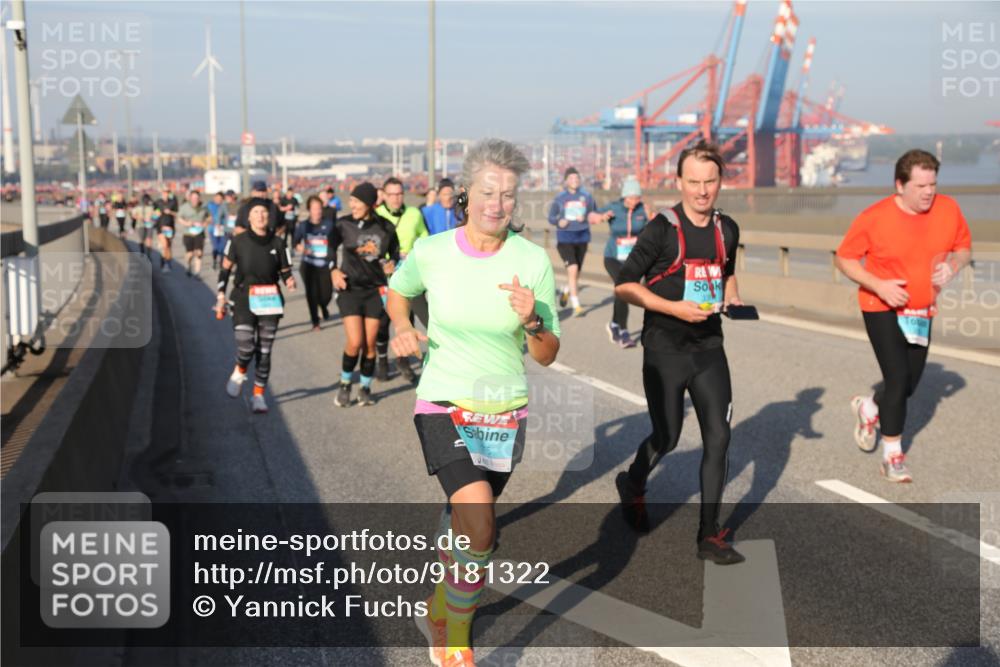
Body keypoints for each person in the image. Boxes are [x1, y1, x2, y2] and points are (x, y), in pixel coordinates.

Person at [388, 139, 560, 666]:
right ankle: (456, 641)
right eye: (488, 192)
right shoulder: (433, 252)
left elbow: (547, 353)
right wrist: (401, 327)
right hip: (443, 401)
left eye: (507, 195)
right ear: (466, 193)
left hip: (504, 411)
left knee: (467, 524)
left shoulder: (531, 260)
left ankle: (438, 607)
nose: (497, 204)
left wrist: (533, 319)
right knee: (481, 522)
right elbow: (398, 291)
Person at [613, 140, 745, 565]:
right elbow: (625, 284)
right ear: (679, 182)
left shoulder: (727, 229)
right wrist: (674, 308)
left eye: (710, 181)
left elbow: (727, 273)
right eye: (694, 182)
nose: (702, 191)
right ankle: (633, 483)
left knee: (719, 438)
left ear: (720, 182)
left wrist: (733, 299)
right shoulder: (661, 229)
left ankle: (709, 535)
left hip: (709, 347)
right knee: (667, 437)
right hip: (664, 348)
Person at [835, 150, 972, 483]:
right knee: (897, 379)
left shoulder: (948, 209)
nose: (928, 192)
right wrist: (879, 285)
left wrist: (952, 266)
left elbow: (964, 249)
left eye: (933, 184)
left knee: (908, 385)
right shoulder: (874, 217)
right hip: (880, 305)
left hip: (921, 310)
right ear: (900, 185)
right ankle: (892, 456)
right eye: (920, 186)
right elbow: (845, 258)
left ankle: (870, 406)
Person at [215, 198, 296, 414]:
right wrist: (221, 294)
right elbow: (225, 269)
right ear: (249, 217)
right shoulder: (238, 241)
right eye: (256, 212)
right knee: (246, 346)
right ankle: (240, 369)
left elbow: (285, 270)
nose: (260, 215)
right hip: (243, 297)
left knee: (265, 351)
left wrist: (289, 280)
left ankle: (258, 395)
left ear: (269, 216)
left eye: (264, 212)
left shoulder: (278, 243)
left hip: (270, 299)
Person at [330, 182, 400, 407]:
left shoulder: (385, 227)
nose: (352, 205)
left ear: (369, 204)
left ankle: (365, 388)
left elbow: (395, 252)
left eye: (356, 201)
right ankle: (345, 384)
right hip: (350, 289)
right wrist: (333, 270)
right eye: (351, 201)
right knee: (355, 341)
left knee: (370, 344)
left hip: (374, 291)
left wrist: (392, 263)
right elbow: (330, 247)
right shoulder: (344, 224)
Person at [375, 176, 430, 381]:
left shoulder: (414, 213)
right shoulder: (376, 215)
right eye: (391, 195)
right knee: (382, 322)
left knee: (407, 319)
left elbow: (425, 238)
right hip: (382, 275)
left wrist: (413, 254)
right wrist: (383, 262)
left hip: (408, 275)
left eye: (399, 194)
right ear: (384, 195)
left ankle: (403, 361)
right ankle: (382, 361)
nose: (396, 198)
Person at [600, 176, 650, 348]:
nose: (635, 201)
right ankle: (624, 332)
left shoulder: (642, 209)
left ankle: (614, 324)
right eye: (632, 198)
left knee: (622, 292)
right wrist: (600, 216)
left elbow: (652, 229)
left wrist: (651, 217)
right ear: (625, 196)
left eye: (637, 198)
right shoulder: (614, 207)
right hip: (612, 257)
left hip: (631, 260)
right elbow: (593, 214)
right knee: (624, 287)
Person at [548, 166, 605, 316]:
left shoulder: (586, 197)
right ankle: (576, 306)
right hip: (565, 239)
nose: (574, 180)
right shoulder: (560, 198)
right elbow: (551, 217)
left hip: (582, 238)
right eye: (571, 178)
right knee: (573, 269)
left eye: (577, 178)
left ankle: (567, 290)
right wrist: (559, 221)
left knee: (576, 273)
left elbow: (595, 214)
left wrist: (585, 217)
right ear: (566, 181)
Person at [293, 195, 337, 330]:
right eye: (314, 209)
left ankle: (323, 306)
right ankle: (315, 322)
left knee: (326, 294)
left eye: (319, 208)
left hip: (324, 265)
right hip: (308, 265)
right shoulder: (303, 226)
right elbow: (295, 242)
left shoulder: (329, 225)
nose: (317, 211)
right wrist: (302, 248)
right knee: (311, 294)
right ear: (309, 210)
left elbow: (335, 243)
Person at [178, 190, 212, 278]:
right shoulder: (184, 207)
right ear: (190, 198)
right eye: (193, 198)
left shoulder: (204, 207)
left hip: (199, 232)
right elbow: (179, 218)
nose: (195, 200)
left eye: (197, 198)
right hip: (188, 233)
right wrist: (187, 223)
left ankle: (197, 273)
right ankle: (188, 266)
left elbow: (209, 217)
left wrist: (206, 223)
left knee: (199, 253)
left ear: (199, 198)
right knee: (189, 253)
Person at [155, 188, 179, 272]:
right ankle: (164, 262)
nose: (165, 194)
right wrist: (157, 213)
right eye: (164, 193)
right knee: (164, 245)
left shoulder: (173, 202)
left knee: (168, 246)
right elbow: (154, 213)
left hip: (170, 226)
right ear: (161, 193)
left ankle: (168, 262)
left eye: (166, 193)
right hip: (160, 226)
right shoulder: (158, 202)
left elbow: (177, 214)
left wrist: (170, 212)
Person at [208, 191, 228, 269]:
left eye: (220, 199)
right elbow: (205, 215)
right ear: (214, 198)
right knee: (216, 247)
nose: (218, 200)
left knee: (222, 247)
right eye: (217, 198)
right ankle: (214, 260)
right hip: (212, 229)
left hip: (223, 229)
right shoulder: (209, 205)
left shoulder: (225, 206)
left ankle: (221, 263)